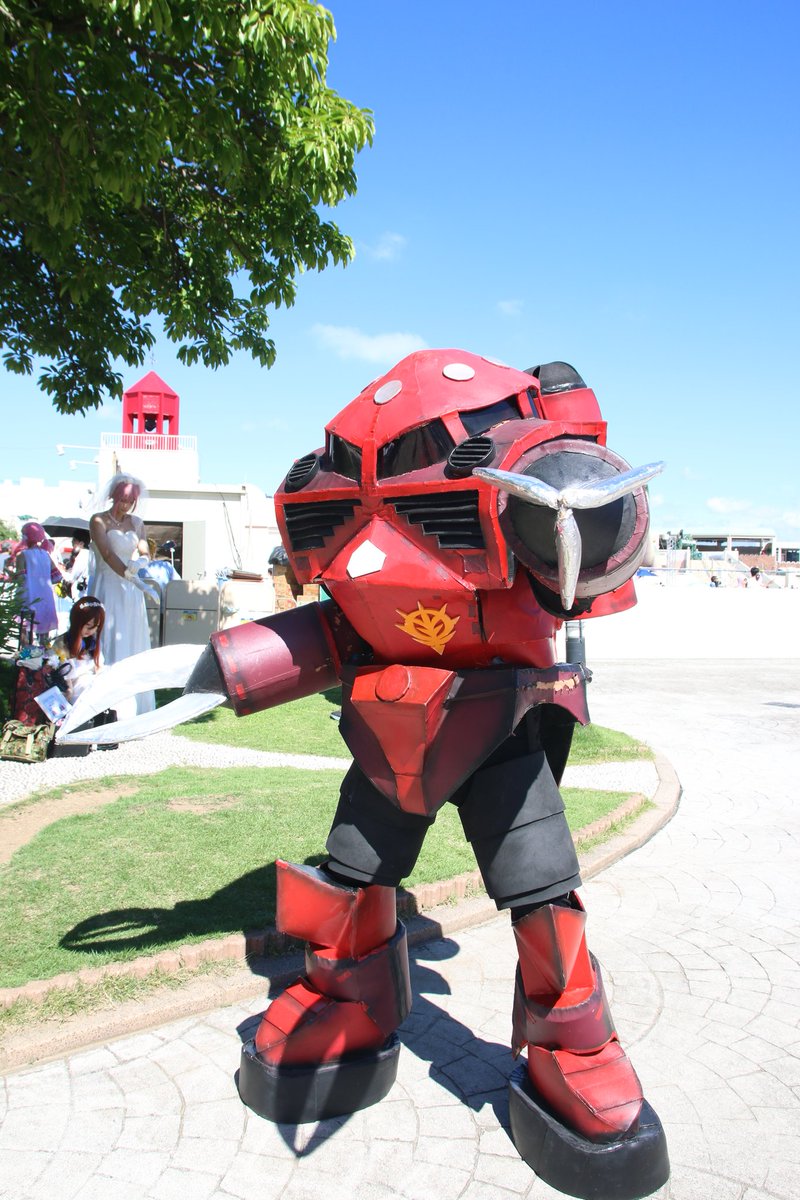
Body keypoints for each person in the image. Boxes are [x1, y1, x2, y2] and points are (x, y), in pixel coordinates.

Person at [89, 473, 155, 714]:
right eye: (122, 500)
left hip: (130, 590)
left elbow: (145, 550)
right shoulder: (98, 520)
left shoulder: (136, 523)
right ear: (114, 497)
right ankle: (105, 702)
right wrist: (129, 575)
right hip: (109, 585)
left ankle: (134, 703)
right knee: (108, 634)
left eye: (130, 501)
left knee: (132, 636)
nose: (125, 505)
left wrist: (142, 562)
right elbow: (107, 554)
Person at [11, 521, 58, 644]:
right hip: (45, 598)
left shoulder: (22, 555)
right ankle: (43, 654)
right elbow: (57, 577)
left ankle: (26, 655)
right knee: (44, 636)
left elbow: (20, 580)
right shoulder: (46, 555)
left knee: (24, 632)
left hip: (28, 597)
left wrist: (10, 574)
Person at [53, 596, 105, 702]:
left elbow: (99, 667)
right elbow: (65, 676)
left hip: (93, 683)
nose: (91, 630)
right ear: (76, 620)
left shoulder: (93, 642)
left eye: (96, 626)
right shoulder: (62, 643)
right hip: (75, 689)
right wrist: (69, 691)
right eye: (88, 625)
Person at [62, 532, 91, 600]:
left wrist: (61, 570)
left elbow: (71, 578)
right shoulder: (90, 554)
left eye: (74, 540)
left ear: (81, 543)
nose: (72, 542)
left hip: (81, 596)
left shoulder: (83, 555)